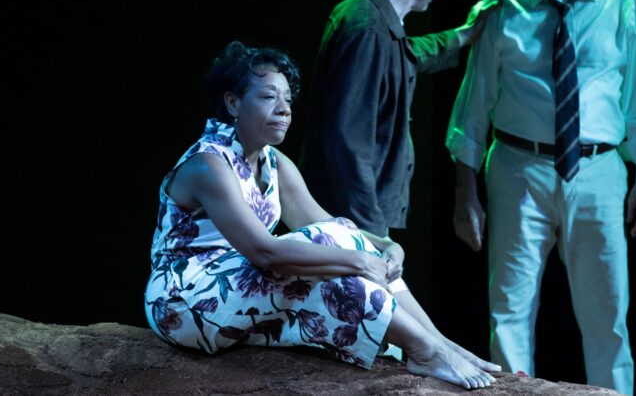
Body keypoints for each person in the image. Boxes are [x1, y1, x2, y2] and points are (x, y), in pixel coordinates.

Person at [146, 41, 501, 390]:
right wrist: (360, 261)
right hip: (182, 300)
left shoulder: (273, 163)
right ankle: (427, 349)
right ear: (233, 102)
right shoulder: (209, 164)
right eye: (269, 97)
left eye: (288, 99)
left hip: (240, 287)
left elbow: (332, 226)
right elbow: (265, 252)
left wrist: (386, 246)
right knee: (333, 251)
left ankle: (437, 344)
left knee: (335, 253)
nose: (284, 109)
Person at [447, 0, 636, 394]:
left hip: (597, 170)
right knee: (509, 310)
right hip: (518, 168)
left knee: (608, 315)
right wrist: (465, 192)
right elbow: (474, 100)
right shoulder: (505, 3)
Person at [300, 0, 490, 239]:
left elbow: (405, 54)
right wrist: (373, 235)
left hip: (352, 218)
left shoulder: (373, 18)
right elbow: (349, 143)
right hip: (347, 223)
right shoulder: (367, 29)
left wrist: (463, 36)